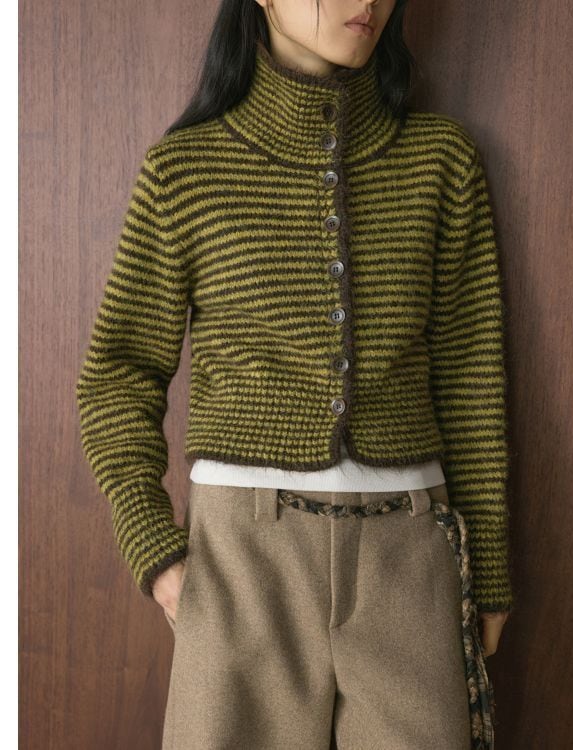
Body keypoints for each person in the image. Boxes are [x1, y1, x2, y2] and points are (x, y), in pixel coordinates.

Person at [76, 0, 514, 747]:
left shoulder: (442, 161)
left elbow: (472, 375)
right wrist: (155, 550)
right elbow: (119, 373)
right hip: (241, 563)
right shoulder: (186, 170)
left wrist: (491, 569)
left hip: (410, 555)